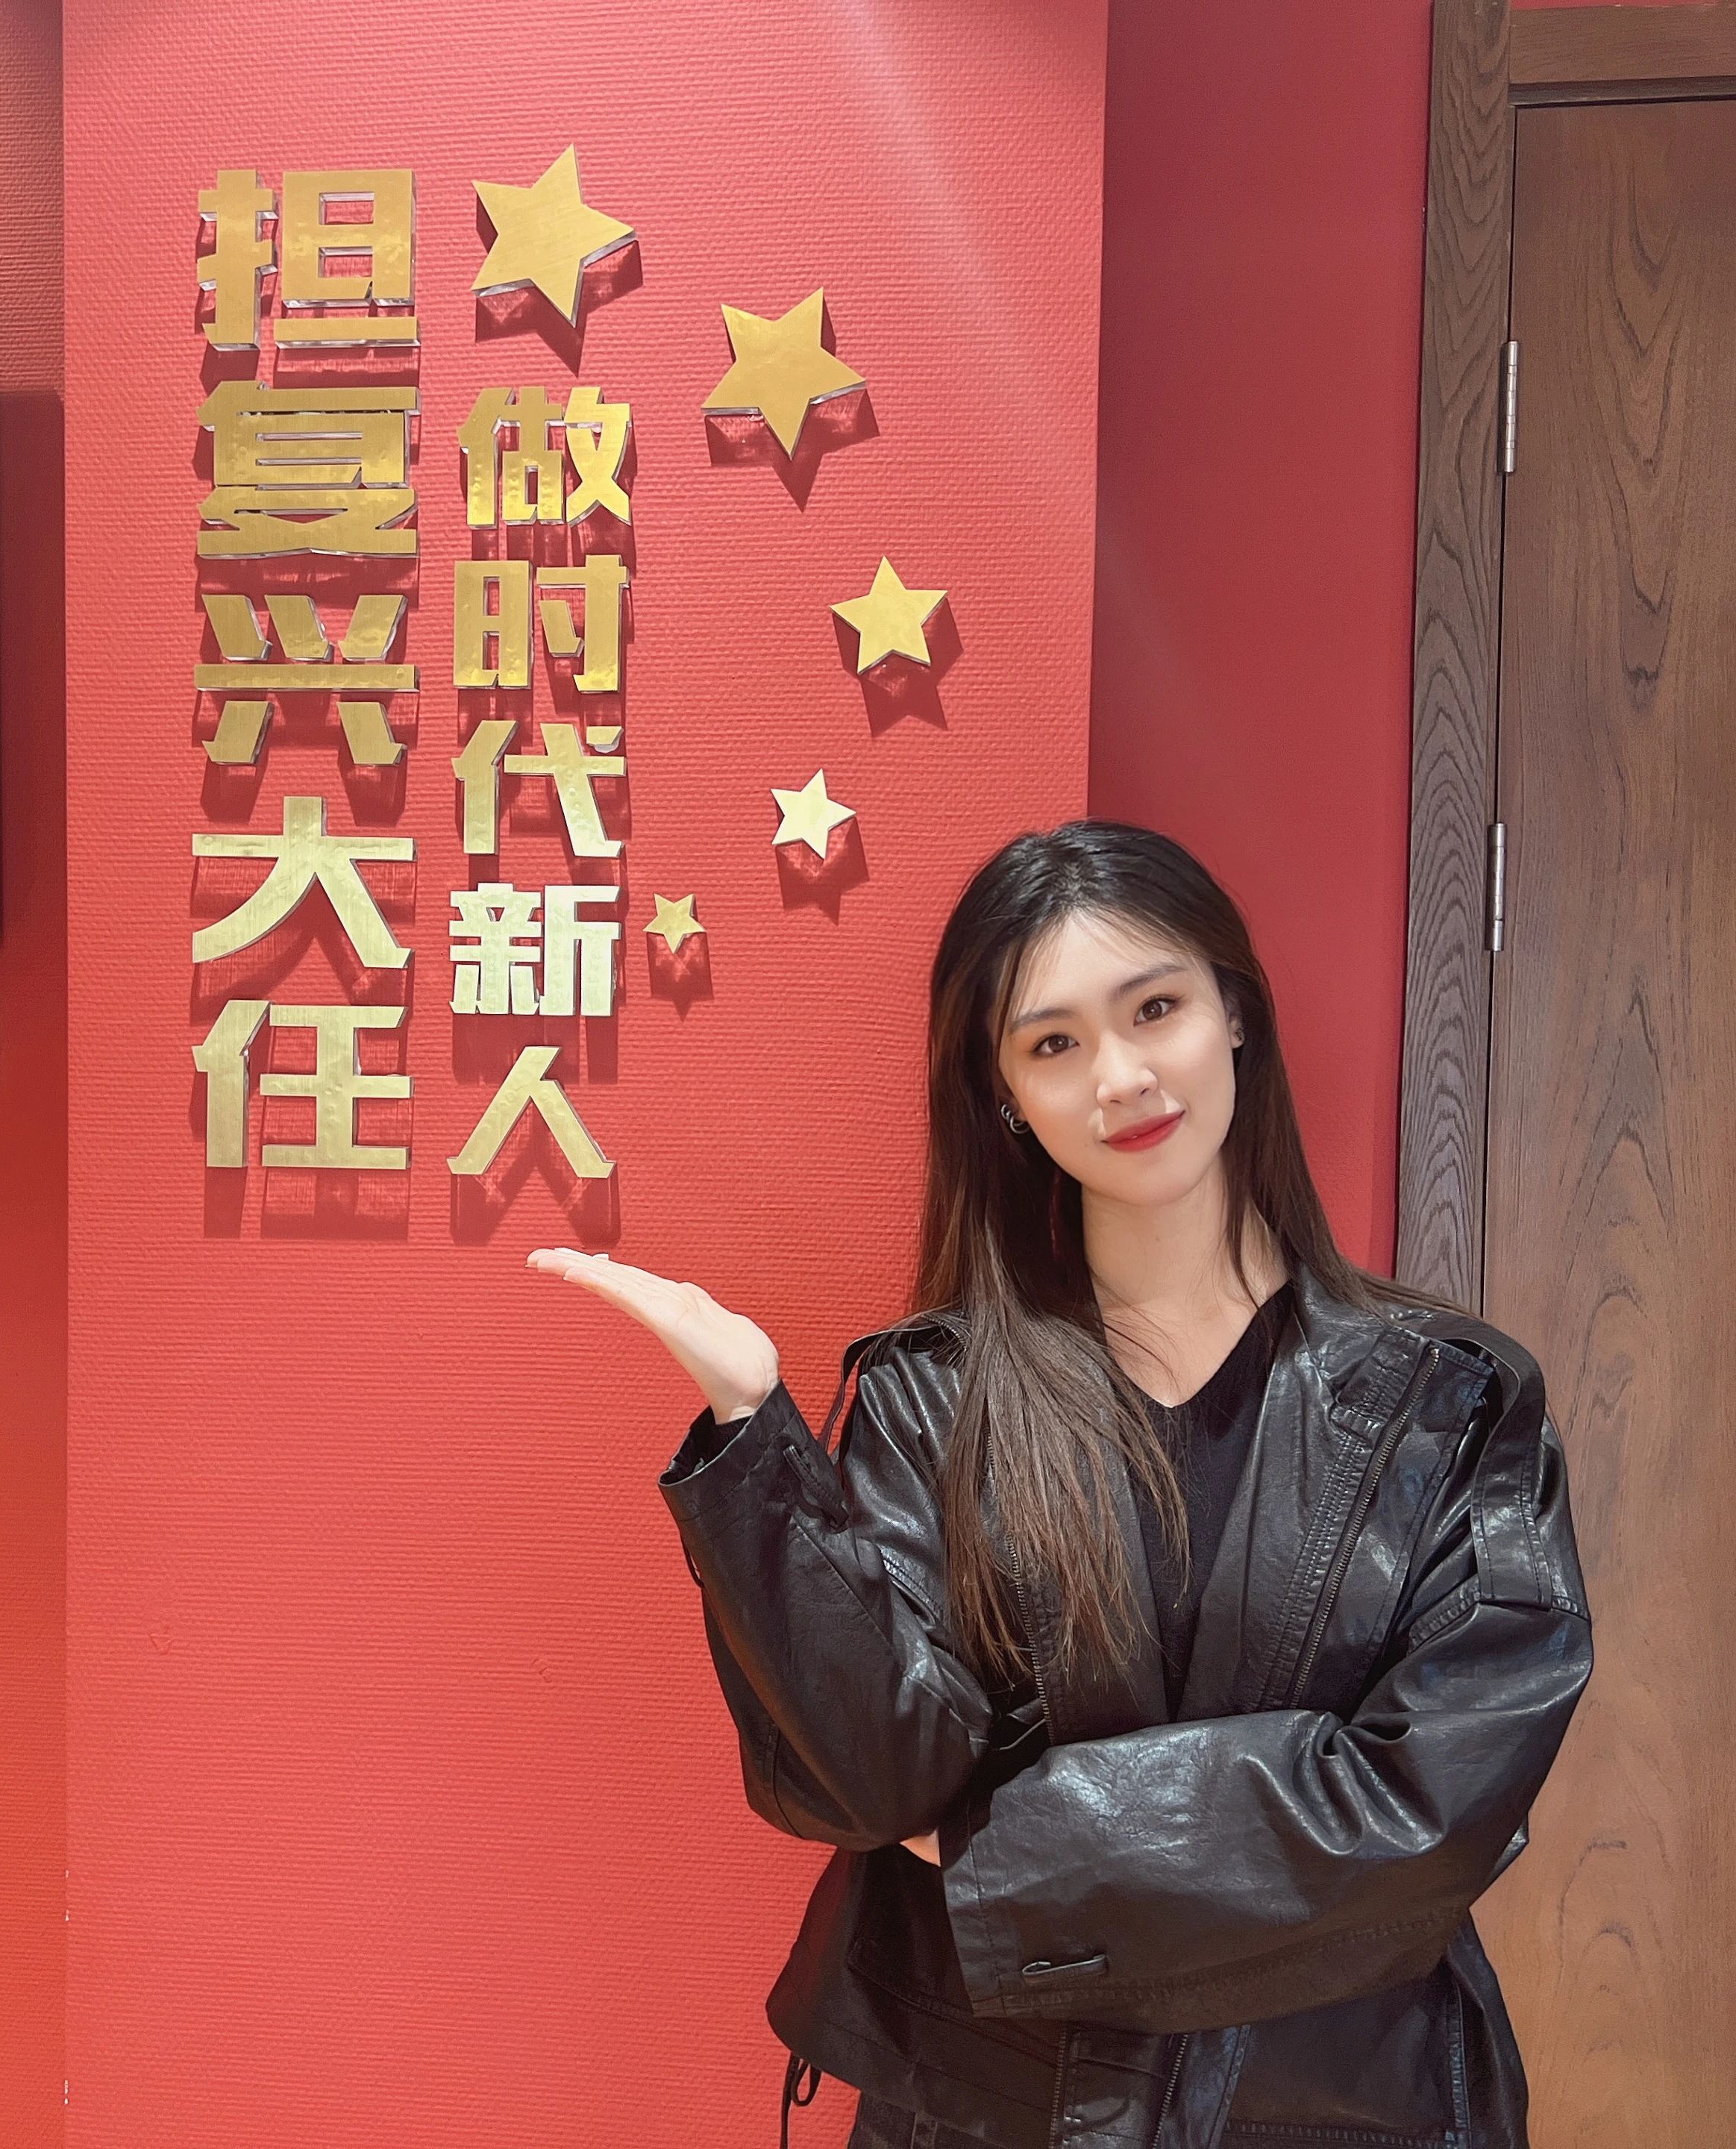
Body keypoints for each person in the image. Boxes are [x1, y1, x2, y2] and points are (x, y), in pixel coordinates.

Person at [527, 821, 1594, 2149]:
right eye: (1054, 1044)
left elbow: (1435, 1803)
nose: (1123, 1077)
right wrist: (755, 1438)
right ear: (1004, 1095)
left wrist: (1004, 1847)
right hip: (988, 2112)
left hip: (1344, 2107)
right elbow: (876, 1786)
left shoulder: (1456, 1399)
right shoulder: (933, 1396)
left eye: (1156, 1009)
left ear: (1234, 1014)